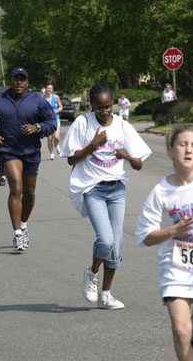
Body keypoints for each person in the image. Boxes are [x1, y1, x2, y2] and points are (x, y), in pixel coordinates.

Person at [61, 82, 152, 309]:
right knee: (106, 239)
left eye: (108, 107)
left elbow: (139, 164)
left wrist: (128, 157)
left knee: (117, 243)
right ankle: (92, 273)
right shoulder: (83, 123)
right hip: (93, 188)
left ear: (113, 104)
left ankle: (106, 294)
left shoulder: (122, 125)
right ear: (91, 106)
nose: (104, 112)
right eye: (99, 108)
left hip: (117, 189)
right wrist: (93, 145)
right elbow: (71, 159)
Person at [136, 124, 193, 360]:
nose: (188, 150)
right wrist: (172, 230)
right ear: (171, 150)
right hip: (176, 268)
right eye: (182, 144)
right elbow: (145, 235)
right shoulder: (160, 192)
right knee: (180, 331)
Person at [0, 67, 57, 251]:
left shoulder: (37, 101)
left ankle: (23, 224)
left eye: (23, 79)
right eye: (16, 79)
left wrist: (37, 127)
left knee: (29, 192)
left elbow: (51, 122)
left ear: (27, 82)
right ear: (11, 81)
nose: (19, 82)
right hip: (9, 150)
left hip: (31, 150)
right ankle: (17, 235)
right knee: (16, 188)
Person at [45, 83, 63, 160]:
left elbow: (61, 107)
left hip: (56, 119)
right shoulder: (43, 99)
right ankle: (52, 154)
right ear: (46, 89)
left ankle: (57, 145)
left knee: (56, 137)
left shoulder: (56, 97)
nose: (49, 90)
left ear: (52, 90)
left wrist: (54, 112)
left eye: (51, 88)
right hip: (47, 121)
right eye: (48, 88)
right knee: (49, 138)